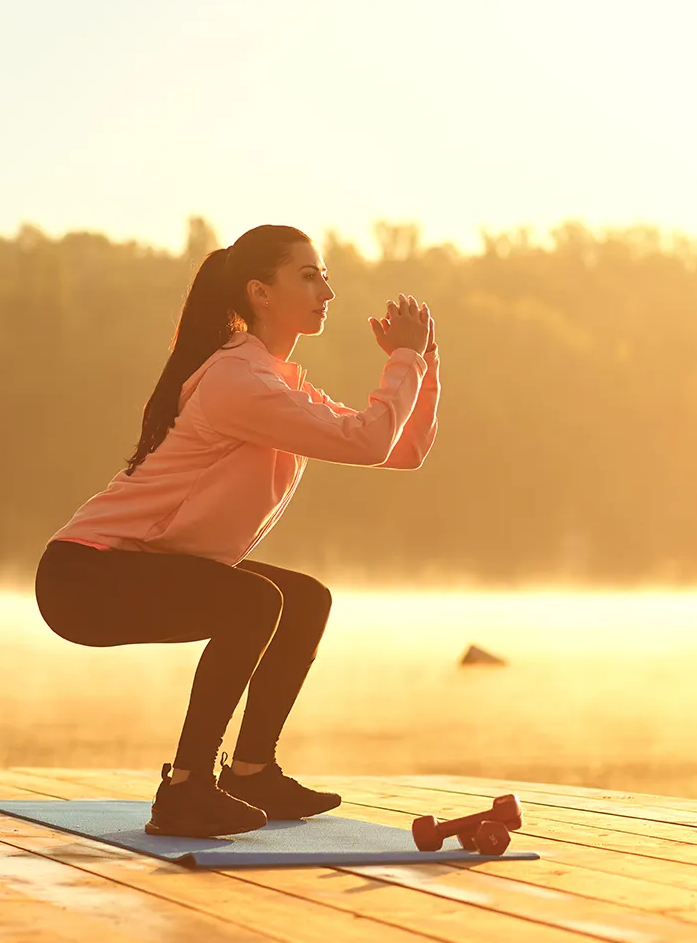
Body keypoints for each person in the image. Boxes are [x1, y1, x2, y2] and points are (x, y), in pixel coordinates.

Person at [33, 224, 439, 838]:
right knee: (253, 602)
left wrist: (423, 363)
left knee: (304, 601)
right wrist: (403, 359)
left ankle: (250, 773)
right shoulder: (237, 382)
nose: (327, 289)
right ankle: (187, 788)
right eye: (308, 275)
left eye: (325, 274)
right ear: (260, 293)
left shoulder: (275, 380)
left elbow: (401, 449)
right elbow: (370, 439)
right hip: (85, 575)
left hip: (131, 568)